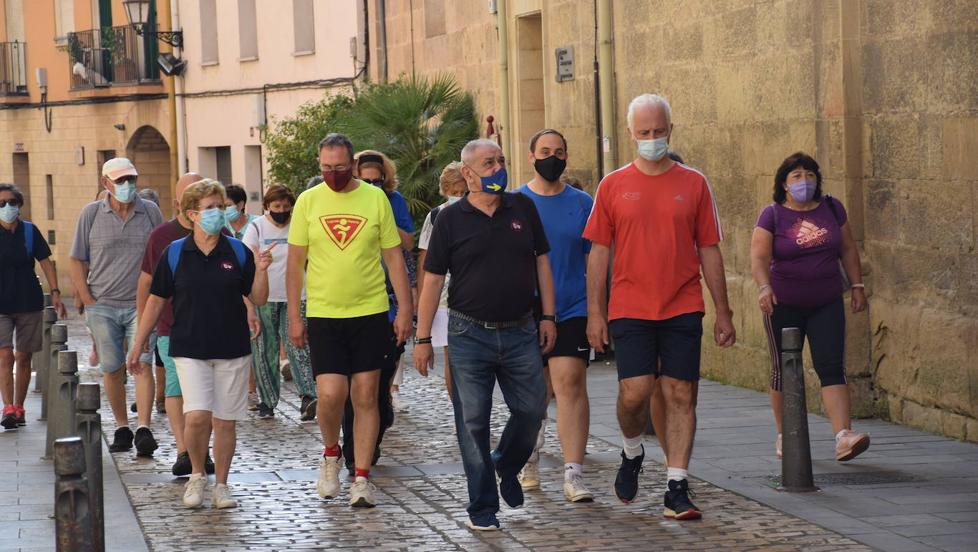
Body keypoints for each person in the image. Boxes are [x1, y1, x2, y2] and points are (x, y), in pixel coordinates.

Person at [584, 94, 735, 521]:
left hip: (683, 305)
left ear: (671, 129)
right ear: (631, 133)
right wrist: (596, 312)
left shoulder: (694, 183)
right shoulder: (612, 185)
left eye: (659, 131)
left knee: (681, 393)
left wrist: (723, 310)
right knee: (635, 393)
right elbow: (598, 252)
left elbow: (709, 249)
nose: (653, 139)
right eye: (645, 133)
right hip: (630, 306)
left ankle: (676, 486)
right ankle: (632, 451)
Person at [415, 139, 556, 531]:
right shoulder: (450, 219)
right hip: (468, 333)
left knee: (531, 409)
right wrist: (423, 338)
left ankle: (506, 465)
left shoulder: (522, 207)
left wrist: (548, 315)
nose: (498, 168)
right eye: (488, 163)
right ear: (468, 173)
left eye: (500, 161)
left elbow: (542, 263)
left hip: (521, 330)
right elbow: (432, 281)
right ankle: (482, 506)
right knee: (472, 422)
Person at [128, 178, 271, 509]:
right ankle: (196, 474)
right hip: (189, 346)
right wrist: (138, 344)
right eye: (210, 208)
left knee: (224, 420)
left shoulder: (236, 250)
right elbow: (156, 301)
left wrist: (261, 269)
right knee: (197, 417)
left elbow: (258, 297)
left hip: (232, 346)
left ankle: (221, 484)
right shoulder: (175, 253)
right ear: (192, 214)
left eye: (220, 207)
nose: (218, 213)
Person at [287, 133, 412, 508]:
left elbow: (393, 258)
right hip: (325, 313)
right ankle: (330, 454)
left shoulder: (375, 199)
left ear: (353, 165)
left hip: (370, 311)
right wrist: (295, 315)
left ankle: (361, 477)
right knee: (329, 395)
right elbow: (295, 264)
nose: (333, 174)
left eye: (340, 167)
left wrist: (405, 309)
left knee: (365, 396)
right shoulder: (308, 202)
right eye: (326, 167)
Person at [750, 152, 870, 462]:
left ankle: (844, 436)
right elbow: (759, 257)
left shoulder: (831, 208)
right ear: (784, 184)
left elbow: (847, 248)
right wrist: (764, 287)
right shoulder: (773, 215)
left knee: (831, 365)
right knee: (784, 369)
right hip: (784, 304)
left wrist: (857, 286)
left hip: (826, 302)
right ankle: (784, 434)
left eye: (810, 175)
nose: (805, 181)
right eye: (797, 176)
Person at [515, 129, 595, 502]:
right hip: (524, 310)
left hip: (572, 307)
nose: (552, 157)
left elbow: (595, 259)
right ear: (531, 156)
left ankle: (573, 472)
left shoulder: (582, 203)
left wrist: (598, 311)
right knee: (534, 392)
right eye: (545, 151)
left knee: (570, 383)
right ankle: (528, 455)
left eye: (559, 151)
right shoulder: (515, 201)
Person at [70, 158, 164, 455]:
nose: (127, 186)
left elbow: (163, 254)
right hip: (103, 304)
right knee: (112, 368)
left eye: (131, 179)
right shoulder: (91, 213)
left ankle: (144, 428)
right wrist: (86, 297)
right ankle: (123, 426)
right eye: (120, 181)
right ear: (105, 183)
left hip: (142, 304)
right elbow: (77, 258)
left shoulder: (150, 211)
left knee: (142, 362)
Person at [137, 172, 217, 476]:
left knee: (205, 394)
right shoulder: (161, 237)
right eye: (190, 199)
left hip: (212, 328)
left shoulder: (222, 235)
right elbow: (146, 284)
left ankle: (202, 451)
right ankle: (185, 450)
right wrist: (141, 331)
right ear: (179, 203)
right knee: (176, 387)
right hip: (172, 327)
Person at [340, 150, 416, 469]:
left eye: (378, 180)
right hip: (352, 304)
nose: (372, 184)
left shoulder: (392, 201)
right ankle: (353, 447)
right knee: (351, 386)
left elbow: (407, 244)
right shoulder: (342, 201)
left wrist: (381, 214)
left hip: (389, 303)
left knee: (378, 386)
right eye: (365, 180)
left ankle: (373, 438)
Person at [242, 185, 317, 421]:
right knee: (264, 350)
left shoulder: (299, 225)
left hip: (297, 296)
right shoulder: (255, 228)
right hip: (265, 296)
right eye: (276, 207)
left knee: (299, 346)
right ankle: (267, 400)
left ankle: (308, 397)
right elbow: (246, 265)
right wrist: (249, 306)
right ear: (267, 207)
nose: (281, 211)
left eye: (286, 207)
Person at [0, 184, 66, 429]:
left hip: (28, 301)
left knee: (24, 356)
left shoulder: (29, 231)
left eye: (11, 202)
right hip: (0, 306)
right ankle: (7, 407)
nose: (7, 207)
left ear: (19, 205)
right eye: (1, 203)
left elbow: (46, 263)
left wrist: (56, 291)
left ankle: (19, 406)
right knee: (5, 355)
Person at [417, 162, 467, 397]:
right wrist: (421, 301)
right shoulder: (436, 216)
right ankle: (459, 409)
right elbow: (425, 260)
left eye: (463, 192)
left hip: (472, 292)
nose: (458, 196)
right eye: (453, 192)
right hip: (444, 296)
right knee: (452, 356)